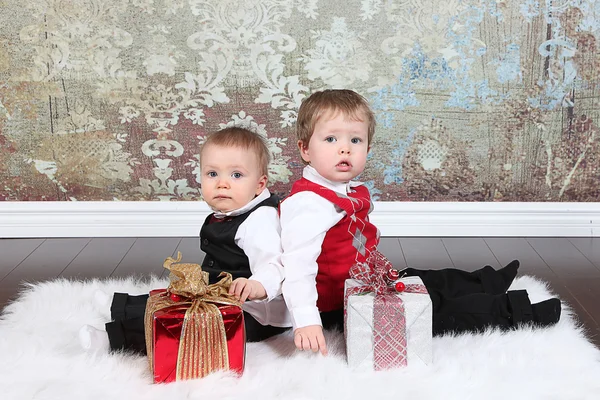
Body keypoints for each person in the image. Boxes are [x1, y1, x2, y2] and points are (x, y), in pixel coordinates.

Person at [279, 89, 561, 356]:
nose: (345, 149)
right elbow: (296, 268)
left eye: (355, 140)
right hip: (340, 304)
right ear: (305, 149)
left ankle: (485, 281)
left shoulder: (343, 189)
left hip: (367, 280)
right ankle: (513, 312)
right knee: (433, 310)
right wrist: (306, 320)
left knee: (425, 277)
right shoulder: (307, 204)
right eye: (331, 140)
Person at [79, 126, 292, 353]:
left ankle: (115, 340)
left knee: (191, 327)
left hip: (255, 312)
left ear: (260, 185)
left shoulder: (260, 221)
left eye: (236, 175)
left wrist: (257, 285)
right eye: (212, 174)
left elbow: (275, 264)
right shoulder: (233, 210)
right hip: (217, 293)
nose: (222, 183)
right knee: (176, 298)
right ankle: (122, 308)